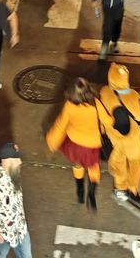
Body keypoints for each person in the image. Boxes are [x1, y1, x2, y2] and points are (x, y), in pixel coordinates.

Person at [46, 77, 108, 210]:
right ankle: (91, 193)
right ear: (89, 90)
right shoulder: (95, 104)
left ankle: (80, 191)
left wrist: (53, 139)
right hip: (92, 144)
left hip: (74, 142)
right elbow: (108, 122)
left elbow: (61, 124)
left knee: (77, 164)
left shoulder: (69, 105)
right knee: (93, 167)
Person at [99, 63, 140, 202]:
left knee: (118, 164)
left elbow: (102, 114)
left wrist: (102, 132)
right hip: (133, 140)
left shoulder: (104, 92)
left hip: (115, 138)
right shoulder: (132, 95)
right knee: (136, 164)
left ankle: (121, 189)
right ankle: (133, 190)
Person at [0, 142, 32, 257]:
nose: (20, 162)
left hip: (21, 230)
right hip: (3, 233)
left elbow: (19, 201)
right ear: (7, 160)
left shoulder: (14, 175)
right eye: (17, 159)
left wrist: (23, 222)